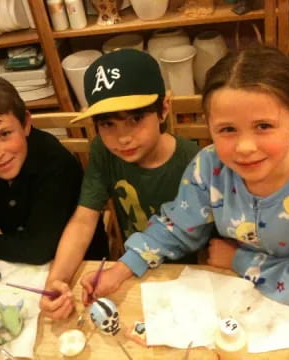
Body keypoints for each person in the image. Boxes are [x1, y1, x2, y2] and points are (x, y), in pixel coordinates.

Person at [80, 45, 289, 311]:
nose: (245, 147)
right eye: (227, 129)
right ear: (208, 125)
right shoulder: (209, 166)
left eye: (264, 126)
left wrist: (237, 259)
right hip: (232, 301)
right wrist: (119, 270)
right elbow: (177, 227)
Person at [0, 73, 106, 351]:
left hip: (79, 265)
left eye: (4, 134)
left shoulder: (55, 161)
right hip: (22, 269)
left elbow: (40, 247)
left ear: (26, 123)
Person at [40, 49, 200, 320]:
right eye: (108, 124)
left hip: (187, 277)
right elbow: (83, 219)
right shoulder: (103, 151)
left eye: (135, 119)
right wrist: (56, 280)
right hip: (128, 271)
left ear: (163, 108)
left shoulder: (194, 162)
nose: (122, 138)